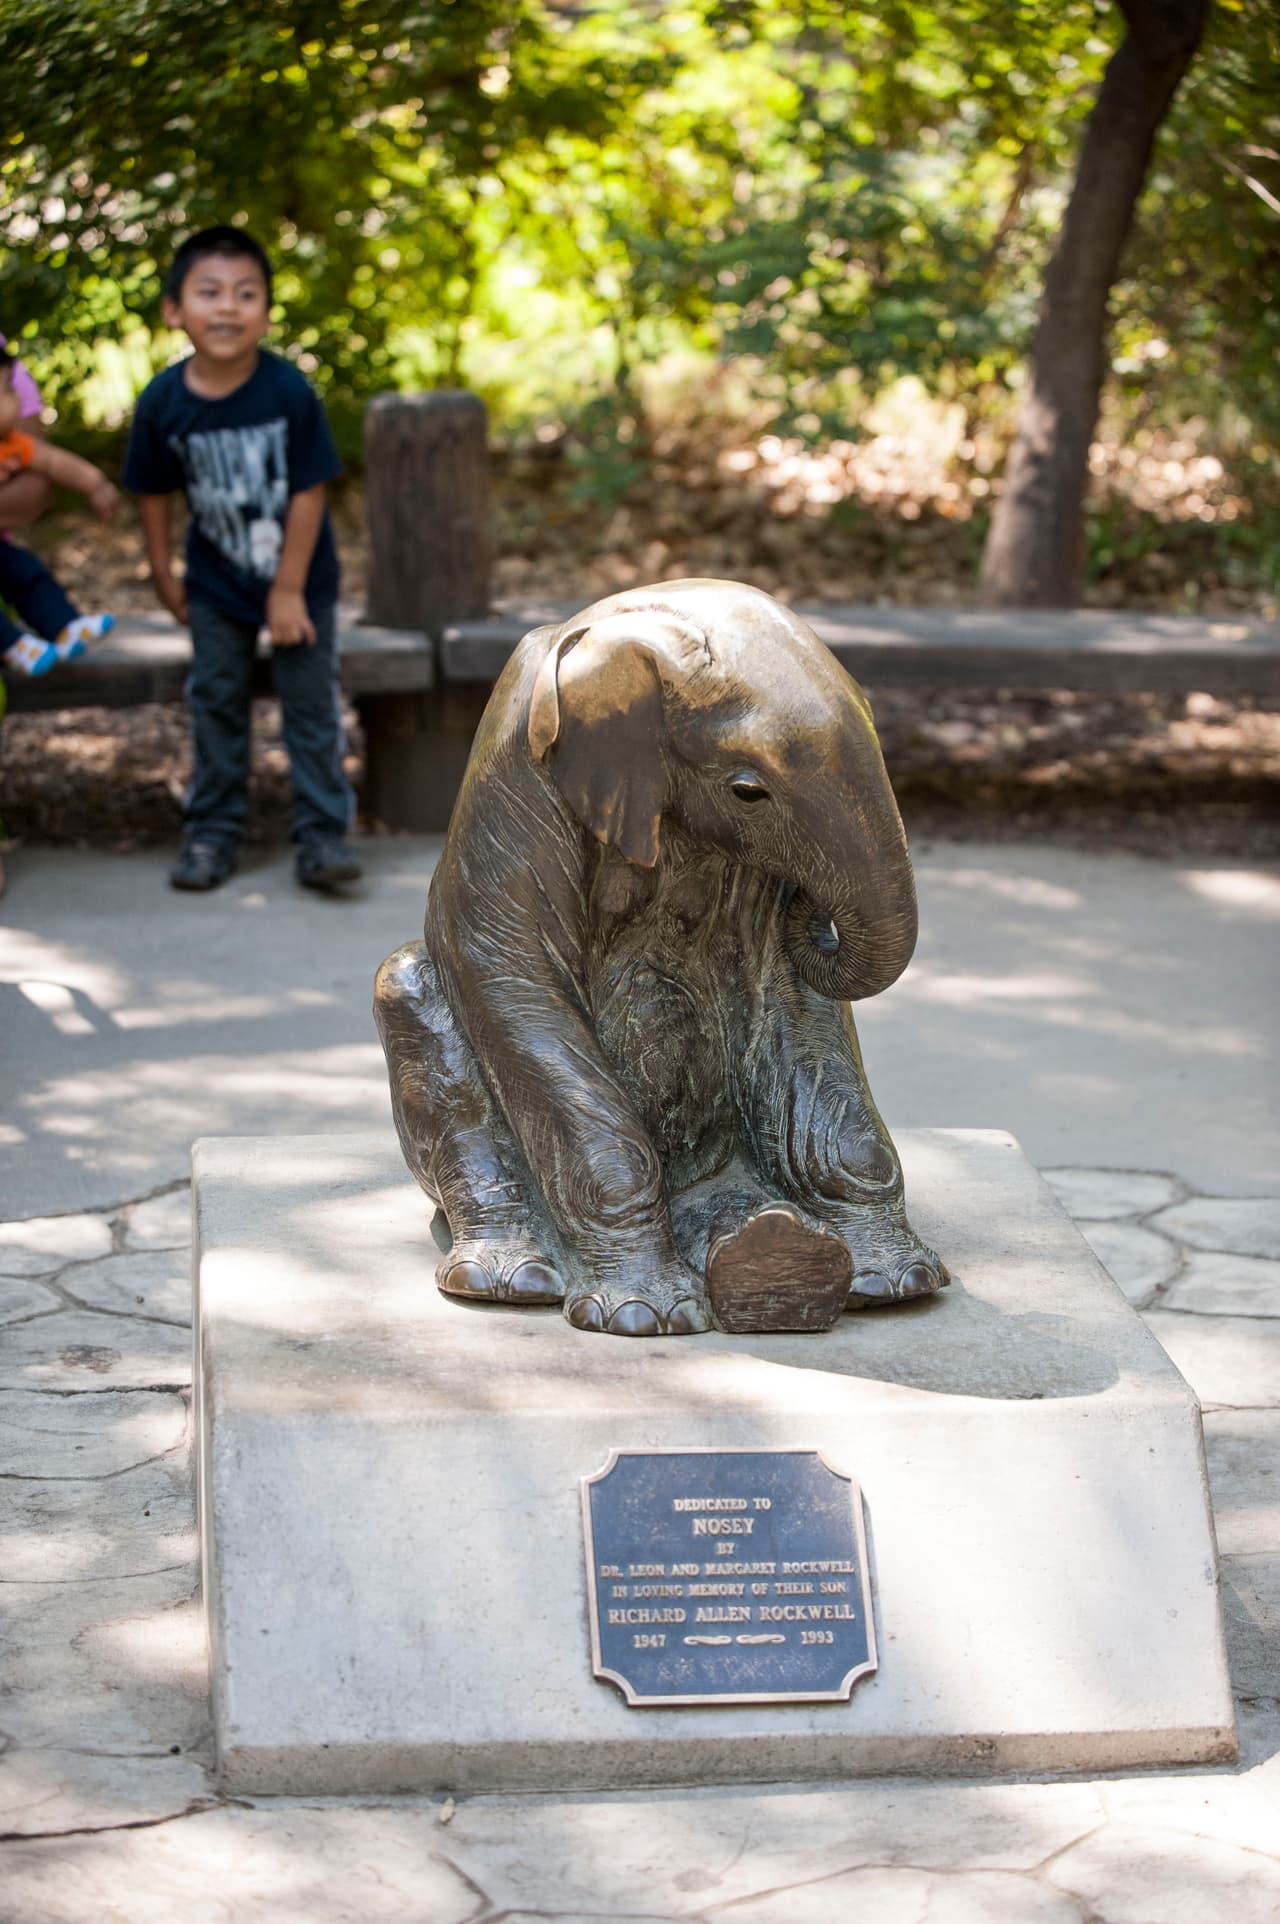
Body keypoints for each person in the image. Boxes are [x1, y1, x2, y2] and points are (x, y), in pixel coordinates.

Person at [121, 225, 360, 893]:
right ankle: (212, 832)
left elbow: (311, 491)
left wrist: (288, 589)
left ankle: (322, 836)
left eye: (246, 293)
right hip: (216, 582)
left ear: (266, 311)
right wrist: (164, 574)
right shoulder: (163, 402)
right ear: (175, 310)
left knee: (309, 704)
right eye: (209, 292)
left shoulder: (287, 393)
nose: (228, 307)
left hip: (300, 579)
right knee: (217, 701)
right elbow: (151, 493)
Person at [0, 348, 119, 675]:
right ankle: (12, 645)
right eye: (8, 391)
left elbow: (52, 461)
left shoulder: (11, 444)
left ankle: (65, 626)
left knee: (27, 571)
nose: (16, 399)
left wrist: (95, 484)